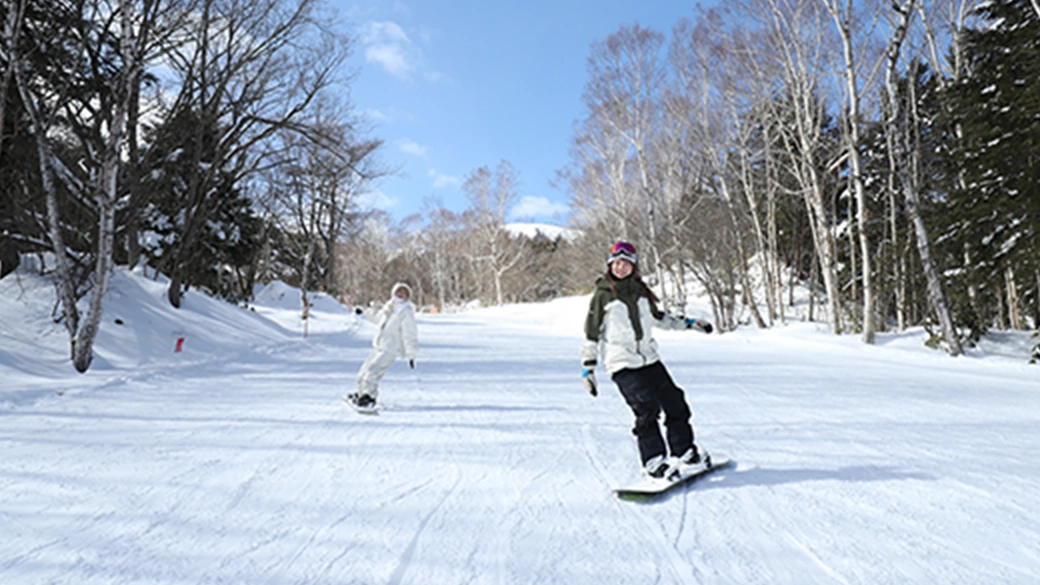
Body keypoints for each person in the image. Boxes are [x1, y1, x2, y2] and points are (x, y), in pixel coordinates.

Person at [580, 241, 713, 479]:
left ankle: (684, 452)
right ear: (610, 265)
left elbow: (659, 318)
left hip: (649, 360)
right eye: (617, 263)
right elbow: (591, 333)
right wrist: (587, 368)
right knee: (646, 409)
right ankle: (654, 463)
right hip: (622, 363)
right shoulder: (602, 295)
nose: (621, 267)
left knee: (675, 402)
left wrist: (690, 324)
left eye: (626, 263)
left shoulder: (641, 292)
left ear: (634, 266)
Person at [346, 281, 419, 411]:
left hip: (391, 348)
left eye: (404, 292)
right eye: (399, 291)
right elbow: (378, 318)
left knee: (373, 371)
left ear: (408, 296)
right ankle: (361, 394)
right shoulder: (390, 307)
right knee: (364, 370)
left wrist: (411, 352)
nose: (400, 294)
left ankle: (369, 398)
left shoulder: (406, 311)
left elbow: (410, 333)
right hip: (380, 345)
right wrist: (363, 311)